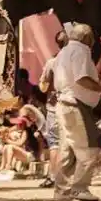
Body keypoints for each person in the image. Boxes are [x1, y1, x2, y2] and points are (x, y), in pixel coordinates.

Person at [52, 23, 101, 201]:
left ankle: (61, 190)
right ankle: (79, 188)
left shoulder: (63, 52)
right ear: (86, 39)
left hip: (64, 104)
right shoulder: (81, 51)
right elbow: (82, 79)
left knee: (67, 152)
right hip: (76, 106)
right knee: (88, 150)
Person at [37, 28, 68, 188]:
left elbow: (43, 87)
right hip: (72, 106)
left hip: (54, 107)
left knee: (54, 143)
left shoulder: (52, 62)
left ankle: (53, 176)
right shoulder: (77, 60)